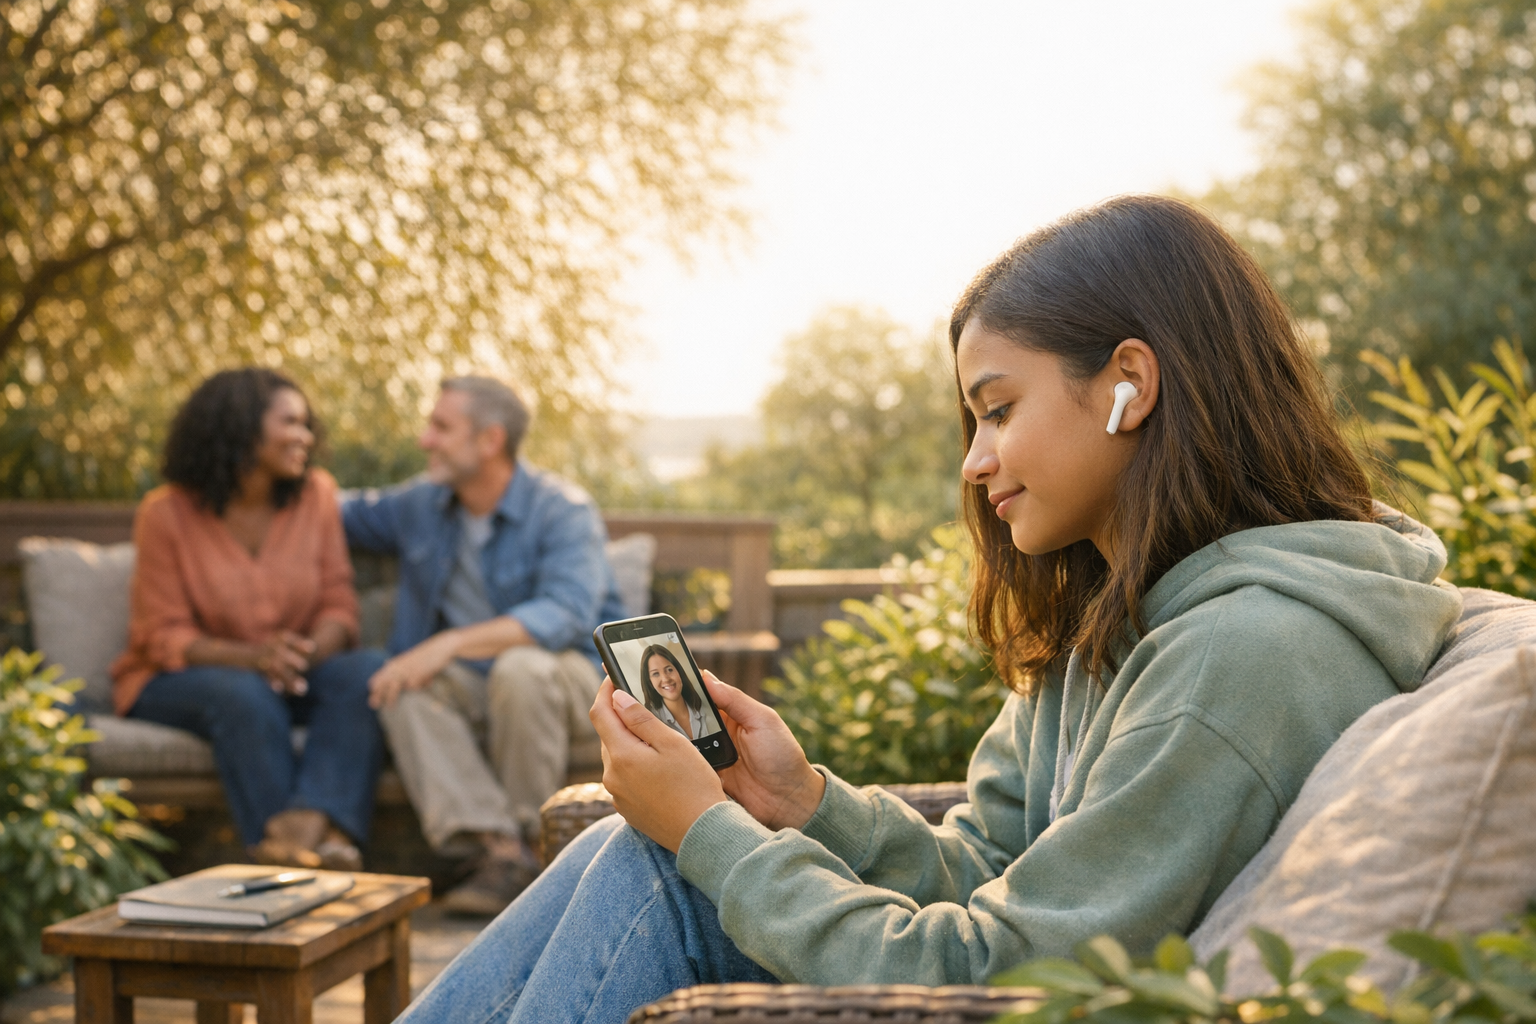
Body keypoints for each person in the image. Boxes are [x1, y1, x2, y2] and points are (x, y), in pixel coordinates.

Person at [394, 195, 1464, 1023]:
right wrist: (803, 801)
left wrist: (712, 834)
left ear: (1129, 385)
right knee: (642, 855)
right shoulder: (1120, 619)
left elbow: (1000, 976)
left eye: (998, 409)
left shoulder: (1243, 655)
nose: (974, 460)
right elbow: (988, 871)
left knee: (667, 874)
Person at [342, 375, 628, 915]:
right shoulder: (422, 504)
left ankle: (536, 838)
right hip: (479, 681)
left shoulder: (562, 509)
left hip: (575, 679)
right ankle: (501, 851)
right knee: (403, 685)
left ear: (490, 440)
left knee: (520, 668)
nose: (425, 440)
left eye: (441, 427)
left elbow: (565, 614)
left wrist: (449, 643)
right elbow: (336, 510)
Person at [113, 368, 387, 871]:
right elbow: (161, 634)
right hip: (185, 680)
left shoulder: (316, 495)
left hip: (290, 672)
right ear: (240, 427)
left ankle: (295, 837)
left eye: (306, 424)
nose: (305, 437)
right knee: (244, 694)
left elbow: (337, 601)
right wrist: (254, 659)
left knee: (365, 671)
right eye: (290, 422)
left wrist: (305, 652)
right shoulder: (166, 514)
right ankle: (309, 852)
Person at [638, 645, 715, 740]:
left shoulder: (707, 706)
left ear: (679, 671)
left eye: (669, 670)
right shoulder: (651, 721)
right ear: (649, 682)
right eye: (656, 674)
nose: (665, 679)